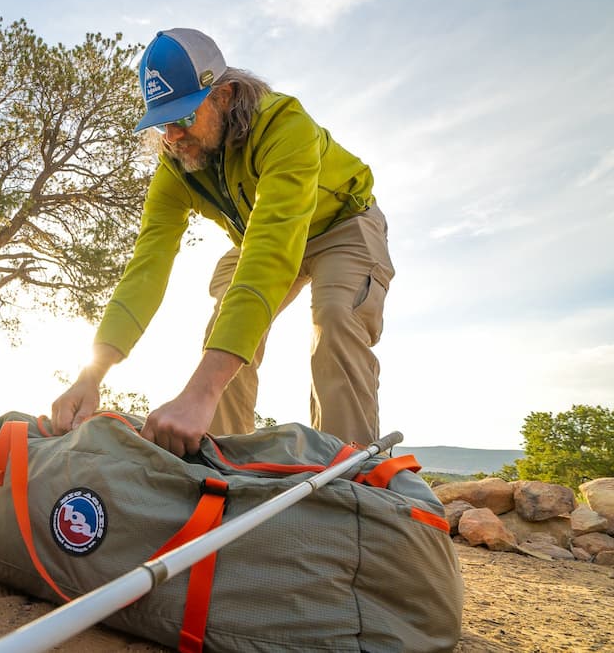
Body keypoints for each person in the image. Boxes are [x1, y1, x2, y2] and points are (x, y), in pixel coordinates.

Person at [51, 28, 395, 456]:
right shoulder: (175, 168)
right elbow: (147, 267)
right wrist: (92, 375)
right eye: (162, 123)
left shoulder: (287, 127)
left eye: (183, 116)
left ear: (225, 95)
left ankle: (351, 477)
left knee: (336, 318)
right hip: (261, 234)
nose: (173, 136)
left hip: (340, 226)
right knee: (226, 326)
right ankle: (225, 464)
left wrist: (199, 392)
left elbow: (272, 253)